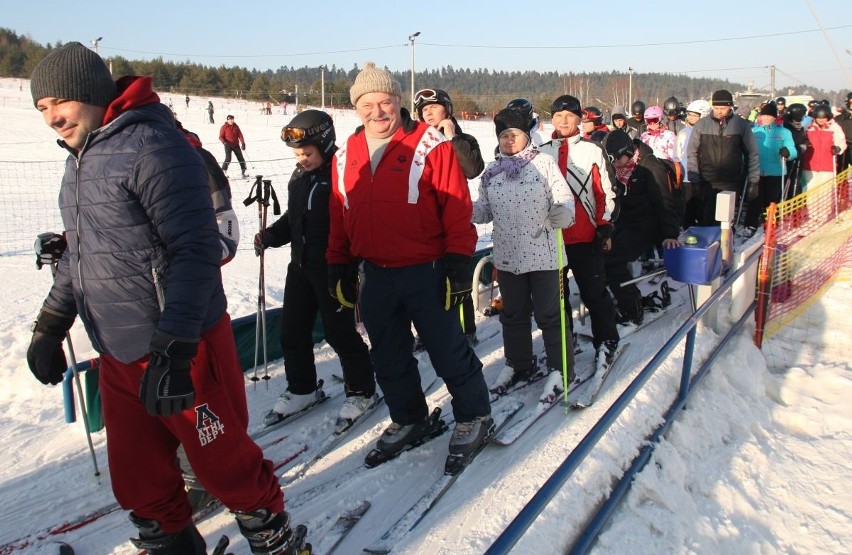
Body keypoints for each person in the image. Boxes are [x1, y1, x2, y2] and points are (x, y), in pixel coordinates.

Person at [26, 42, 298, 555]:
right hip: (119, 351)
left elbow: (195, 251)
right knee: (140, 480)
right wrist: (50, 324)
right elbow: (80, 257)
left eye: (57, 102)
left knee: (225, 467)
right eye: (41, 108)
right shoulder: (80, 160)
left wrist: (175, 347)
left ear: (88, 92)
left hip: (182, 347)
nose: (51, 118)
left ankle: (276, 541)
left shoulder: (154, 145)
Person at [327, 62, 492, 468]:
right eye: (368, 104)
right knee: (387, 354)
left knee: (447, 348)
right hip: (375, 273)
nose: (378, 111)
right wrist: (338, 265)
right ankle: (409, 417)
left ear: (399, 101)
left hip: (426, 269)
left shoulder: (431, 145)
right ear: (356, 107)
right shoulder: (345, 153)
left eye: (385, 101)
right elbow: (339, 213)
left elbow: (457, 207)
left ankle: (474, 415)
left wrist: (457, 264)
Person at [255, 110, 377, 428]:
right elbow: (295, 221)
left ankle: (362, 390)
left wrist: (351, 265)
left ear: (324, 144)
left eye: (307, 153)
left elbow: (354, 221)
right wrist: (271, 236)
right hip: (300, 268)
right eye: (297, 154)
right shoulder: (300, 177)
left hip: (333, 269)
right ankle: (302, 388)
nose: (302, 159)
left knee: (340, 333)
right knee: (292, 332)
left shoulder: (341, 174)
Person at [473, 106, 575, 397]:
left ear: (526, 135)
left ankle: (561, 367)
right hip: (508, 257)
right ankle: (518, 363)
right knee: (514, 315)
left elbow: (564, 197)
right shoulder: (491, 173)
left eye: (514, 134)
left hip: (545, 256)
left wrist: (563, 212)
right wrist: (463, 209)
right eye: (504, 135)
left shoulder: (544, 164)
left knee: (549, 315)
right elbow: (484, 211)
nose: (509, 140)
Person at [538, 94, 621, 373]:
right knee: (556, 300)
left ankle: (607, 341)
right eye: (558, 116)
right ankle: (564, 342)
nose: (563, 120)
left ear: (578, 119)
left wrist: (605, 225)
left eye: (569, 116)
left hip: (585, 237)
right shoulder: (542, 151)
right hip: (552, 240)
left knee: (594, 293)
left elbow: (605, 192)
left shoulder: (591, 150)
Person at [413, 87, 485, 346]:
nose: (429, 112)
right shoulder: (417, 141)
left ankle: (466, 331)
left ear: (448, 109)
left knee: (458, 278)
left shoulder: (464, 140)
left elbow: (472, 169)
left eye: (434, 106)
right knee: (425, 280)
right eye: (424, 109)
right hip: (425, 221)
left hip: (454, 218)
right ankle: (427, 331)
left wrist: (452, 138)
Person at [602, 130, 682, 325]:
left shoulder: (650, 167)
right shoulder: (619, 169)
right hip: (624, 222)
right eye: (612, 160)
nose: (616, 164)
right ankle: (616, 297)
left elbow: (665, 202)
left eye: (618, 159)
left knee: (612, 260)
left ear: (628, 151)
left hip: (647, 225)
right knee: (599, 255)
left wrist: (670, 234)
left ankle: (632, 307)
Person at [686, 89, 760, 226]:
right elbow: (692, 152)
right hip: (707, 181)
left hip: (730, 181)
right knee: (706, 219)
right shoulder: (702, 124)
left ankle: (726, 245)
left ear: (730, 106)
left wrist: (753, 180)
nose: (719, 111)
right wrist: (694, 178)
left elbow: (752, 153)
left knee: (725, 221)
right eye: (716, 108)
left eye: (723, 108)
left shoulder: (740, 125)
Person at [742, 102, 798, 235]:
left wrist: (787, 153)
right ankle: (750, 224)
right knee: (755, 199)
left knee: (771, 200)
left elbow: (793, 151)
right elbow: (746, 149)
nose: (765, 119)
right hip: (757, 171)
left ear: (774, 117)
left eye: (768, 116)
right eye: (763, 116)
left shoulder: (784, 132)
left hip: (776, 171)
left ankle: (771, 223)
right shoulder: (754, 131)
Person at [678, 99, 712, 228]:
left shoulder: (708, 132)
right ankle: (687, 228)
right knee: (688, 208)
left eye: (694, 115)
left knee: (703, 208)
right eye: (689, 114)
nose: (691, 118)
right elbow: (677, 155)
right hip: (687, 177)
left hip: (704, 177)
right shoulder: (683, 133)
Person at [801, 103, 846, 192]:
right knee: (811, 192)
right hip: (810, 165)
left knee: (825, 193)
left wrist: (838, 148)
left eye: (823, 118)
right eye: (819, 118)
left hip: (827, 165)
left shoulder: (834, 127)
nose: (821, 120)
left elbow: (841, 141)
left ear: (828, 117)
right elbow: (801, 140)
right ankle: (812, 207)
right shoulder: (808, 127)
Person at [219, 114, 248, 179]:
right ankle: (223, 172)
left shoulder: (236, 126)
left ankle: (244, 172)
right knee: (228, 158)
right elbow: (220, 137)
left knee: (241, 158)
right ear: (227, 120)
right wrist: (224, 142)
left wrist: (243, 143)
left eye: (232, 119)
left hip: (235, 145)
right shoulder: (224, 127)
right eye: (230, 119)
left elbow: (240, 135)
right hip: (227, 145)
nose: (232, 121)